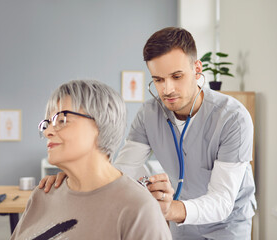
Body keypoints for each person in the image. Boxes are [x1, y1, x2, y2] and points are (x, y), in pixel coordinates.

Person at [39, 28, 257, 240]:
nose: (167, 89)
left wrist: (170, 209)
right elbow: (123, 168)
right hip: (179, 223)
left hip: (227, 226)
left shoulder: (233, 118)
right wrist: (78, 178)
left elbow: (222, 201)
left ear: (197, 69)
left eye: (177, 76)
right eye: (159, 80)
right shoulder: (149, 114)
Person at [11, 80, 172, 240]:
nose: (47, 132)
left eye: (61, 120)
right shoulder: (42, 194)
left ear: (101, 124)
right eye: (47, 123)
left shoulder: (139, 209)